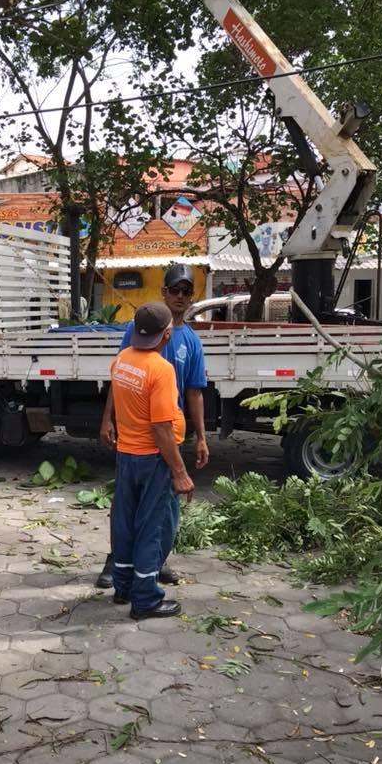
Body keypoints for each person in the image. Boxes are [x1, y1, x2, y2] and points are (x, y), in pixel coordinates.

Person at [97, 264, 209, 590]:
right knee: (137, 510)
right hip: (143, 440)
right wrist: (107, 419)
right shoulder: (140, 330)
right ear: (164, 292)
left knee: (160, 511)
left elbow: (195, 391)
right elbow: (119, 378)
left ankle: (150, 565)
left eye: (186, 291)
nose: (180, 296)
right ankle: (125, 570)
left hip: (166, 439)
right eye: (175, 289)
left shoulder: (191, 342)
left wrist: (201, 437)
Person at [110, 301, 194, 619]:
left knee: (125, 522)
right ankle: (145, 599)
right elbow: (161, 427)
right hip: (152, 459)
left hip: (126, 455)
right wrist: (180, 472)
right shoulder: (160, 369)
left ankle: (124, 586)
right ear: (167, 334)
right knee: (152, 528)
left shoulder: (121, 361)